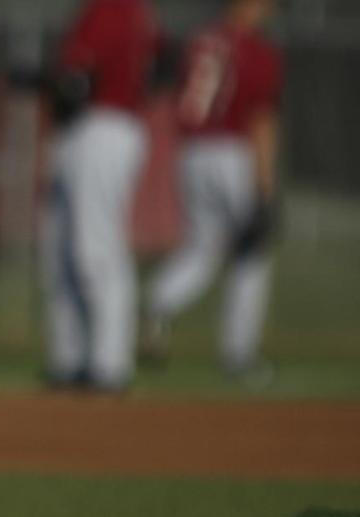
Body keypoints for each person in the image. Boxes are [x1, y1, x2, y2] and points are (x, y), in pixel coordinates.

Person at [145, 0, 281, 386]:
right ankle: (238, 355)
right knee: (252, 253)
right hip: (232, 152)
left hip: (189, 154)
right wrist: (265, 190)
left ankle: (157, 301)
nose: (269, 12)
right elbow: (261, 118)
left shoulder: (198, 41)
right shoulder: (255, 49)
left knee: (202, 248)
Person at [39, 0, 158, 392]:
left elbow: (75, 81)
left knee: (97, 249)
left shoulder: (112, 10)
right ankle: (71, 360)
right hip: (96, 127)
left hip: (104, 126)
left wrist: (38, 81)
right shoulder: (130, 12)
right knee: (61, 249)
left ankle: (110, 364)